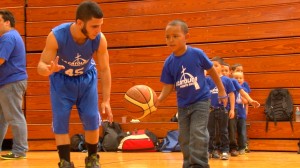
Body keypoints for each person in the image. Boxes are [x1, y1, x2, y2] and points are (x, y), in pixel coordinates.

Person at [37, 1, 113, 168]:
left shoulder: (99, 39)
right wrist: (49, 69)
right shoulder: (57, 36)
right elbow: (40, 66)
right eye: (94, 26)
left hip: (86, 79)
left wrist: (106, 100)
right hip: (61, 81)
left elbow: (105, 70)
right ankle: (64, 161)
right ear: (80, 23)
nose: (98, 30)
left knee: (92, 118)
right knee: (61, 119)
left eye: (100, 25)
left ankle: (92, 158)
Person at [156, 19, 227, 168]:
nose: (171, 40)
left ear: (186, 37)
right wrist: (159, 99)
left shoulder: (197, 54)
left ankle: (199, 164)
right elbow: (168, 86)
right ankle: (188, 163)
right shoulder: (168, 63)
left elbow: (212, 71)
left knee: (197, 132)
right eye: (167, 37)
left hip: (201, 101)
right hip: (182, 106)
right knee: (184, 137)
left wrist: (221, 90)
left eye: (175, 36)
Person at [0, 10, 28, 160]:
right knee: (2, 118)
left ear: (7, 22)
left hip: (11, 83)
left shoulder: (8, 37)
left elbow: (0, 59)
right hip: (9, 83)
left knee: (15, 117)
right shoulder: (12, 36)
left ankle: (19, 150)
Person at [206, 57, 235, 160]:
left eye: (216, 65)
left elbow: (231, 94)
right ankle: (211, 150)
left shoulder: (226, 80)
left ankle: (225, 150)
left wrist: (232, 109)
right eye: (211, 65)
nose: (213, 67)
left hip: (223, 110)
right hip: (210, 110)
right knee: (210, 131)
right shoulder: (208, 79)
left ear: (222, 67)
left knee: (224, 131)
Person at [232, 72, 249, 154]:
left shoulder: (244, 90)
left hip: (241, 114)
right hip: (233, 114)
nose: (238, 80)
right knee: (232, 131)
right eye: (236, 78)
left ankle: (242, 147)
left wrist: (244, 99)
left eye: (240, 78)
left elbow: (246, 101)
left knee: (242, 132)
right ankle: (233, 147)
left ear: (243, 79)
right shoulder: (231, 89)